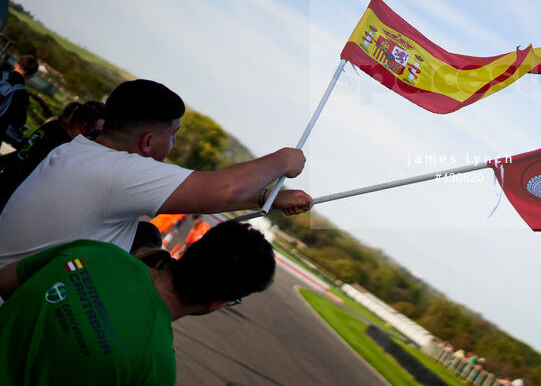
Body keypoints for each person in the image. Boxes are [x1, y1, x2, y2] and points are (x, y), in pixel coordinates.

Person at [0, 79, 311, 270]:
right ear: (148, 141)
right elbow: (224, 189)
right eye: (173, 134)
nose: (173, 143)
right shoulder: (120, 172)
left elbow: (205, 194)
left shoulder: (80, 151)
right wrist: (285, 159)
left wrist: (265, 198)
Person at [0, 221, 275, 385]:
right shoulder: (157, 366)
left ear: (190, 249)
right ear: (219, 303)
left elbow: (6, 281)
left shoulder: (95, 251)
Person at [0, 100, 105, 211]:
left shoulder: (52, 126)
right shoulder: (64, 147)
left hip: (7, 183)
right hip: (15, 199)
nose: (97, 136)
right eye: (97, 131)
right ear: (85, 126)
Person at [0, 54, 39, 148]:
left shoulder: (1, 73)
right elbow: (18, 122)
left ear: (17, 65)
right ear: (31, 76)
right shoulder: (22, 94)